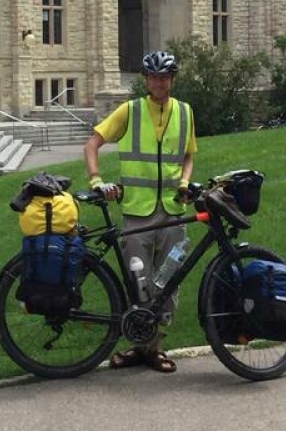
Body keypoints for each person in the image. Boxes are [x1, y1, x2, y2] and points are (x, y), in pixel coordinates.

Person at [84, 50, 197, 374]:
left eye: (164, 77)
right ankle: (140, 347)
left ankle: (154, 348)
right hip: (138, 213)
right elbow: (92, 143)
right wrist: (96, 180)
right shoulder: (130, 111)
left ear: (172, 80)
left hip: (175, 212)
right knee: (140, 282)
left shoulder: (186, 113)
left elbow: (188, 155)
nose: (159, 83)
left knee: (169, 283)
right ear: (146, 81)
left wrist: (186, 181)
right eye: (154, 77)